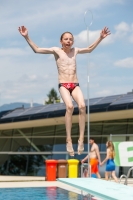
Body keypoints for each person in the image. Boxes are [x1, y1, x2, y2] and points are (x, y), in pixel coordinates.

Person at [18, 26, 110, 156]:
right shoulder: (56, 51)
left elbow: (89, 49)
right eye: (66, 39)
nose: (68, 41)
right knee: (70, 106)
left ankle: (81, 139)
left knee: (83, 106)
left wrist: (100, 37)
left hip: (75, 84)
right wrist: (26, 36)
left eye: (71, 39)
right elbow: (37, 49)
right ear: (61, 41)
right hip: (63, 85)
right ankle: (68, 139)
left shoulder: (75, 50)